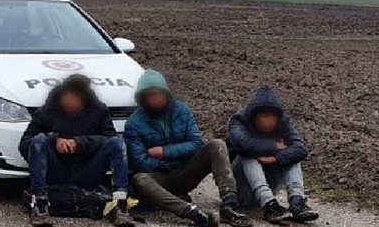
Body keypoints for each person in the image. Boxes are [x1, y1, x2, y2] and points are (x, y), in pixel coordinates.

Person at [125, 70, 252, 227]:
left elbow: (196, 143)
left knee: (217, 145)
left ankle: (229, 203)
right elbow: (140, 162)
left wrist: (164, 152)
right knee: (139, 179)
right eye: (151, 95)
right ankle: (190, 212)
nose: (156, 98)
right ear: (142, 98)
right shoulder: (133, 123)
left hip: (185, 171)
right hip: (160, 177)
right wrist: (171, 161)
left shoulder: (181, 110)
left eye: (159, 93)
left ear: (166, 93)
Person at [19, 74, 135, 227]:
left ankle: (120, 205)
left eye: (74, 95)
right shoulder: (47, 111)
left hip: (88, 171)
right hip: (56, 171)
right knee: (39, 140)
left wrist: (80, 143)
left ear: (83, 97)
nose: (69, 99)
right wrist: (54, 139)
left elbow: (109, 137)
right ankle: (39, 204)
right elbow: (25, 144)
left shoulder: (99, 110)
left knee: (117, 143)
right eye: (66, 94)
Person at [228, 85, 319, 224]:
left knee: (291, 156)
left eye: (272, 116)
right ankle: (269, 205)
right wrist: (275, 146)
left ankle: (297, 202)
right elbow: (244, 145)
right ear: (254, 115)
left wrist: (275, 158)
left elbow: (301, 149)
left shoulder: (283, 123)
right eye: (264, 116)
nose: (269, 121)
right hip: (241, 188)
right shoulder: (239, 121)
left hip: (271, 182)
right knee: (248, 155)